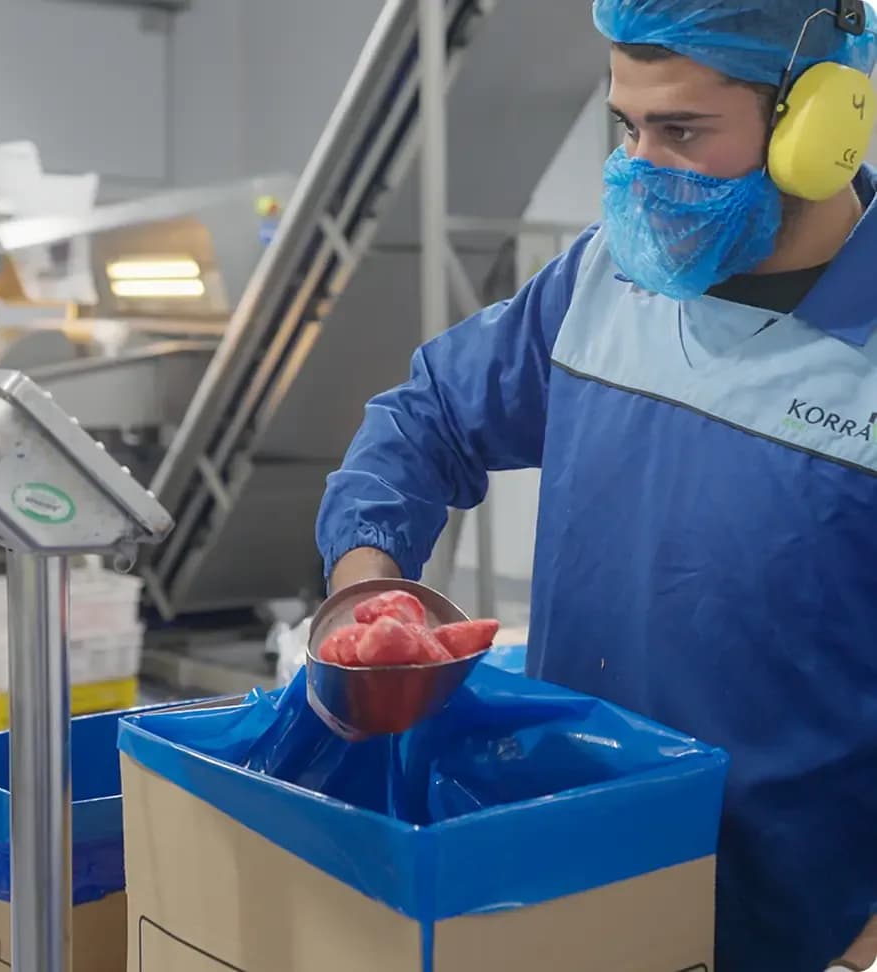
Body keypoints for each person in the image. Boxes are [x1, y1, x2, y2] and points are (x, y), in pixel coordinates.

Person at [315, 2, 877, 970]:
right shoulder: (606, 278)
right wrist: (369, 588)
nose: (643, 165)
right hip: (575, 851)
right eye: (629, 126)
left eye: (684, 131)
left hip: (798, 908)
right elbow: (427, 416)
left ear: (815, 130)